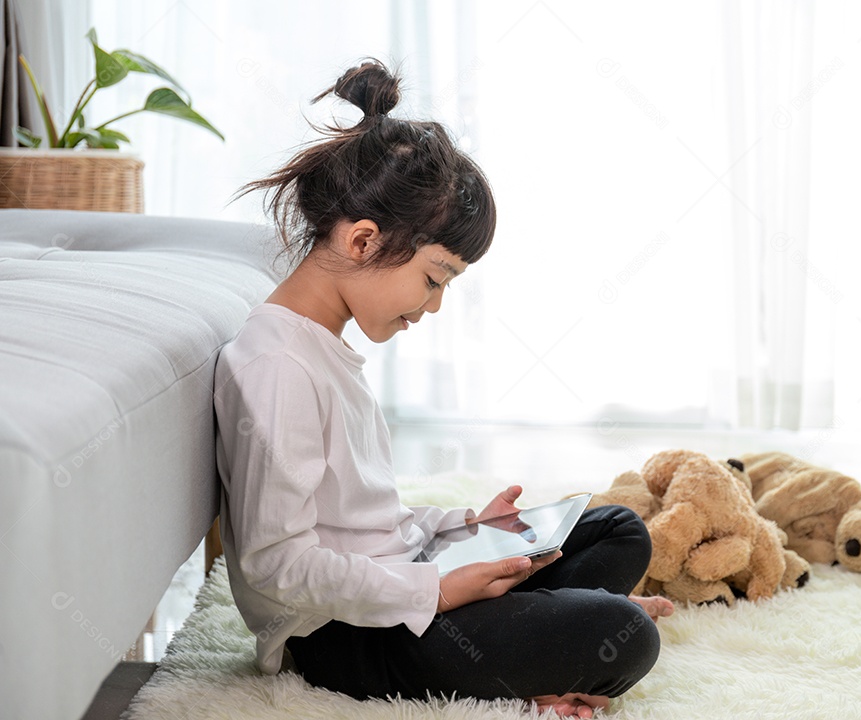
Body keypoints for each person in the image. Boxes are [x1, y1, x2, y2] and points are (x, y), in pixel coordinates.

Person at [213, 58, 673, 719]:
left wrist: (463, 529)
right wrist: (439, 590)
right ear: (364, 240)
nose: (432, 306)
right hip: (342, 637)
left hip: (400, 586)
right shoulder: (277, 367)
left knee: (619, 531)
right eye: (435, 279)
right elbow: (277, 565)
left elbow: (363, 522)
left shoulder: (320, 349)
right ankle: (537, 645)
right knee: (622, 634)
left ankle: (531, 629)